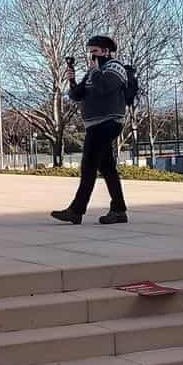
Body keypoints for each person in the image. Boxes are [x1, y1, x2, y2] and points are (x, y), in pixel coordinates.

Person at [52, 36, 129, 225]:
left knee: (88, 165)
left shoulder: (115, 68)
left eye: (94, 51)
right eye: (90, 51)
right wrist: (72, 81)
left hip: (108, 123)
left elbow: (104, 88)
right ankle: (119, 210)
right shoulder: (93, 71)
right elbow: (77, 95)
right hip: (95, 125)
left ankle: (76, 210)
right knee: (107, 167)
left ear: (106, 51)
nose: (91, 55)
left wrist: (94, 72)